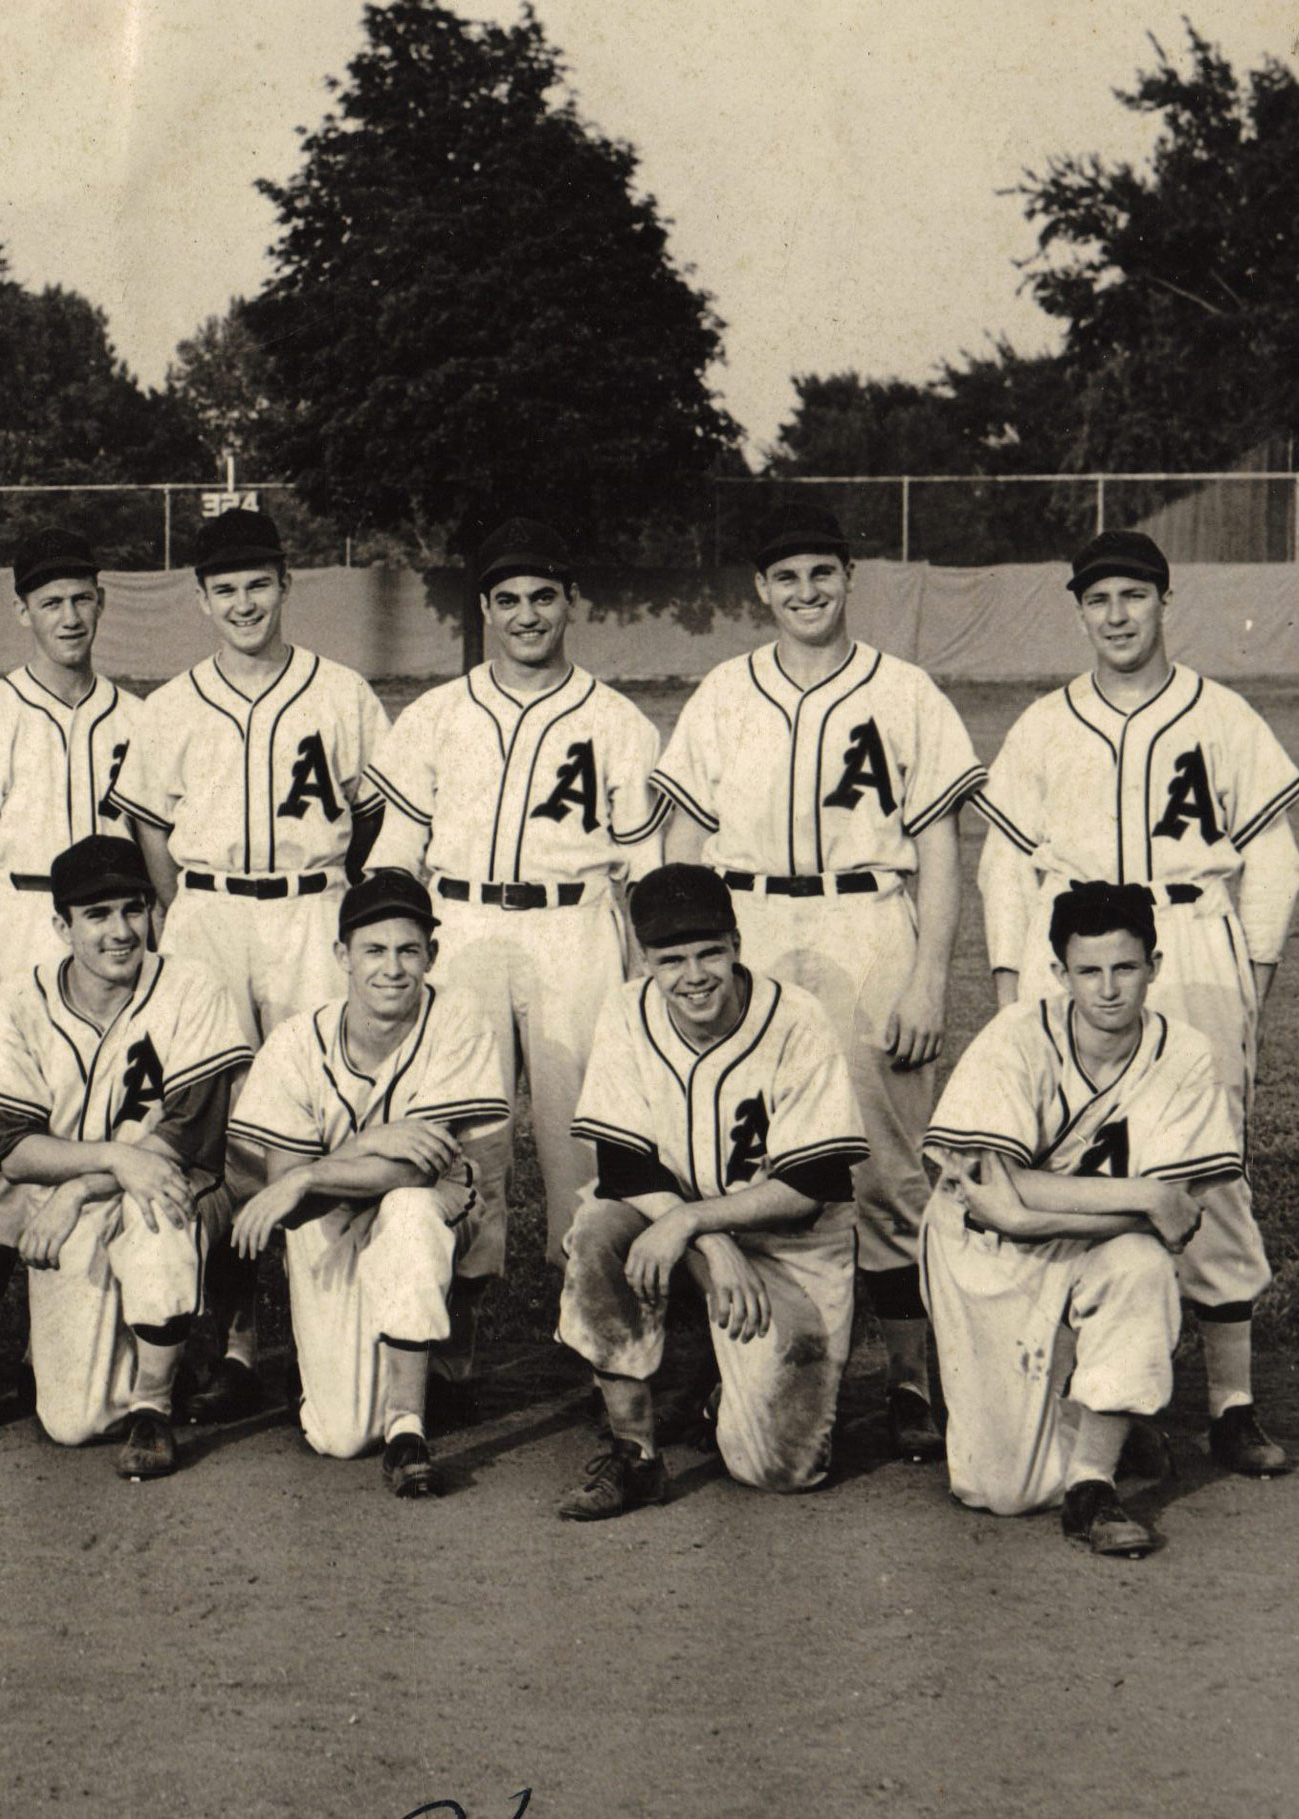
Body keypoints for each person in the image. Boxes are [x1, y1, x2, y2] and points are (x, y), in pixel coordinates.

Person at [645, 504, 983, 1462]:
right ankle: (718, 1367)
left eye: (822, 572)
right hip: (746, 922)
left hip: (866, 918)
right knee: (730, 1150)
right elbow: (683, 842)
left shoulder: (906, 690)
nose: (806, 591)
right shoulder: (724, 691)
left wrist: (928, 978)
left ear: (848, 577)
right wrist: (684, 954)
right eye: (786, 576)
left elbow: (939, 849)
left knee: (887, 1166)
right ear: (762, 588)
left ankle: (912, 1381)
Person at [970, 529, 1299, 1478]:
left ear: (1165, 601)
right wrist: (1011, 990)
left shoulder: (1222, 714)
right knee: (1072, 1160)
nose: (1116, 615)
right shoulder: (1045, 722)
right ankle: (1109, 1397)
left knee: (1210, 1164)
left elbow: (1275, 861)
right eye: (1098, 599)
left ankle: (1232, 1403)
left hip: (1192, 944)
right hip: (1075, 952)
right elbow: (1004, 867)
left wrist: (1251, 986)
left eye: (1134, 595)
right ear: (1079, 611)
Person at [108, 504, 391, 1421]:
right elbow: (150, 824)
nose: (242, 603)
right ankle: (233, 1340)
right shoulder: (171, 703)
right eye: (224, 588)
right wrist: (181, 909)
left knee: (321, 1114)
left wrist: (334, 891)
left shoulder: (341, 691)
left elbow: (373, 813)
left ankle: (326, 1338)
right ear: (200, 598)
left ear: (284, 585)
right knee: (219, 1125)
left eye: (257, 585)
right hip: (210, 910)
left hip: (310, 906)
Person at [366, 516, 661, 1384]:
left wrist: (644, 970)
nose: (527, 614)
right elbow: (395, 852)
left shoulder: (617, 720)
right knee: (464, 1133)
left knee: (584, 1139)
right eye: (509, 600)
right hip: (461, 924)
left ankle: (594, 1343)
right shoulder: (436, 713)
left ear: (570, 602)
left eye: (543, 597)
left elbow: (644, 867)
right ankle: (453, 1340)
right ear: (486, 610)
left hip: (575, 925)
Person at [922, 882, 1234, 1557]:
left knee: (1142, 1268)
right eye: (1089, 971)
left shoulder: (1185, 1053)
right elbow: (1000, 1201)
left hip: (1092, 1244)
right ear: (1059, 973)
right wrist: (1142, 1197)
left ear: (1155, 965)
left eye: (1126, 967)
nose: (1109, 989)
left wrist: (1038, 1206)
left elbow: (1173, 1217)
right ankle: (1086, 1401)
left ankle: (1093, 1485)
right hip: (982, 1251)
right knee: (1006, 1491)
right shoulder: (1015, 1036)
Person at [553, 864, 868, 1519]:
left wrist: (691, 1223)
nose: (693, 976)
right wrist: (708, 1240)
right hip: (679, 1231)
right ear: (645, 961)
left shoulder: (796, 1019)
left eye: (708, 954)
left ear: (736, 945)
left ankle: (709, 1383)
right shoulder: (626, 1010)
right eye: (671, 960)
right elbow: (623, 1166)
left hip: (789, 1246)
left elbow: (812, 1185)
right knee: (597, 1230)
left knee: (780, 1468)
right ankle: (634, 1452)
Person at [0, 526, 148, 1435]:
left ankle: (123, 1346)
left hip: (109, 937)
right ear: (22, 612)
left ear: (101, 603)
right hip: (17, 920)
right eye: (50, 602)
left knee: (109, 1127)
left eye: (81, 598)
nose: (69, 616)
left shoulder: (138, 716)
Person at [0, 836, 253, 1480]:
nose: (121, 931)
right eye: (97, 915)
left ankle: (153, 1406)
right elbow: (9, 1149)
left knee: (156, 1213)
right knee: (73, 1422)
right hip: (83, 1203)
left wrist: (77, 1188)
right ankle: (161, 1346)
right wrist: (113, 1164)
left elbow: (191, 1134)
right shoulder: (19, 1001)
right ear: (62, 927)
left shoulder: (191, 985)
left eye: (132, 909)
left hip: (174, 1183)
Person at [227, 873, 509, 1497]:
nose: (393, 968)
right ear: (342, 956)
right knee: (342, 1435)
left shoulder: (458, 1019)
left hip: (432, 1211)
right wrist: (367, 1147)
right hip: (327, 1221)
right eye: (374, 950)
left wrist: (316, 1170)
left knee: (408, 1209)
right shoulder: (297, 1041)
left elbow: (418, 1168)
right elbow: (287, 1199)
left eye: (409, 950)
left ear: (432, 955)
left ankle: (409, 1426)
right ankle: (358, 1367)